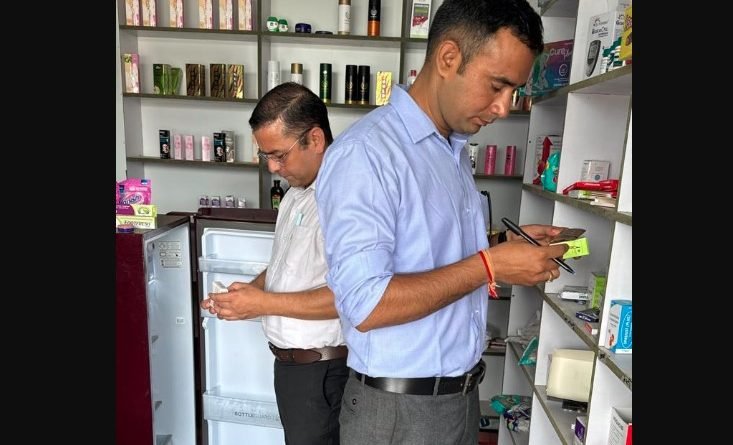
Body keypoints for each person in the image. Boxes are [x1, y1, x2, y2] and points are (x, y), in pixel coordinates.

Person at [314, 1, 569, 444]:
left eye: (513, 91)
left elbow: (427, 248)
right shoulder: (367, 154)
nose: (504, 107)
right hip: (399, 412)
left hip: (459, 398)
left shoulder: (449, 149)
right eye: (498, 85)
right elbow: (366, 305)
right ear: (449, 58)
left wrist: (502, 246)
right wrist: (490, 266)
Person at [201, 82, 347, 445]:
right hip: (294, 369)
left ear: (315, 139)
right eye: (265, 155)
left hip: (324, 370)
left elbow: (349, 296)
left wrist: (262, 303)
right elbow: (287, 265)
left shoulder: (344, 199)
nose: (272, 167)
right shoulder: (296, 195)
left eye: (279, 155)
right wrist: (250, 291)